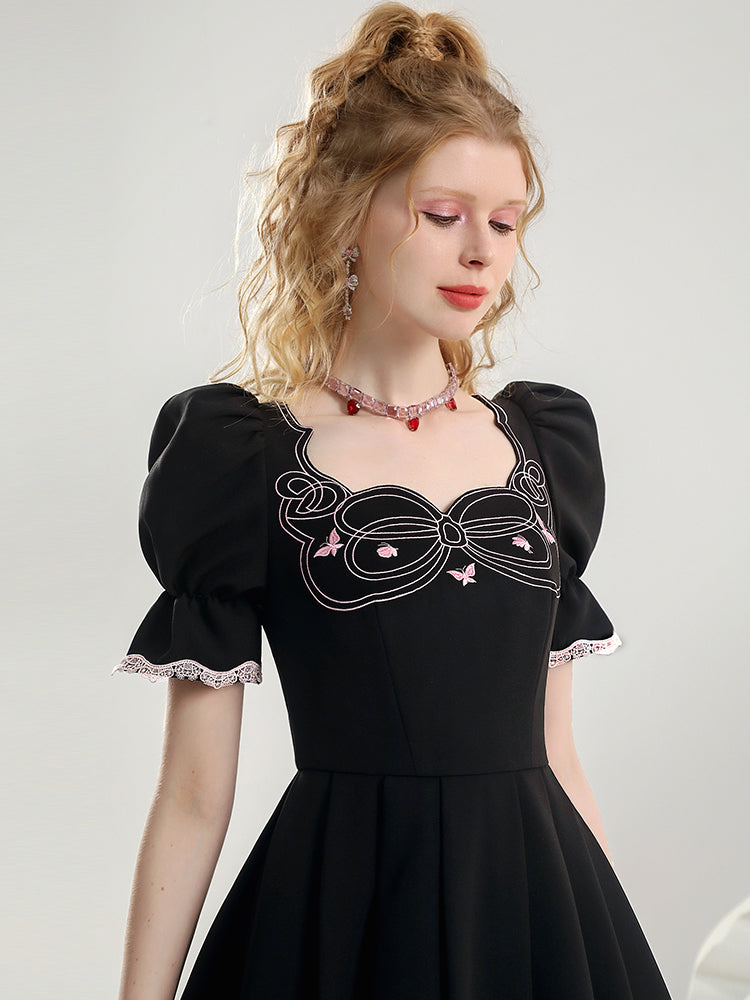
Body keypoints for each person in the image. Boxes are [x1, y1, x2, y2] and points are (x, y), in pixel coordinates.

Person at [114, 3, 673, 998]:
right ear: (344, 215)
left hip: (533, 921)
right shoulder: (240, 463)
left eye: (506, 222)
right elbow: (195, 797)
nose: (482, 252)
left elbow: (557, 755)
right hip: (343, 926)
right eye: (443, 214)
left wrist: (605, 954)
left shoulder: (543, 446)